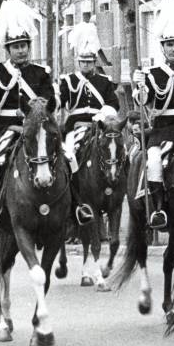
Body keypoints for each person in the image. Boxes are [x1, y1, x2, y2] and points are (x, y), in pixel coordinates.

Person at [0, 0, 55, 237]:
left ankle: (75, 209)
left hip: (36, 130)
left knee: (68, 157)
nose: (21, 50)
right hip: (3, 131)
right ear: (7, 49)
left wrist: (42, 106)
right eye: (16, 46)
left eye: (24, 45)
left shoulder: (41, 73)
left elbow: (50, 100)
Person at [132, 0, 174, 231]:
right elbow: (144, 101)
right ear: (163, 47)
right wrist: (139, 88)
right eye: (170, 44)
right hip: (163, 130)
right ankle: (159, 208)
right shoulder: (152, 74)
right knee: (155, 162)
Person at [59, 21, 119, 226]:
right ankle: (73, 201)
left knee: (114, 151)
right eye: (83, 62)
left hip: (97, 126)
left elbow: (114, 104)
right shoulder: (68, 81)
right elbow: (61, 101)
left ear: (94, 62)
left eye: (89, 62)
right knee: (69, 158)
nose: (86, 65)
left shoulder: (104, 81)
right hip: (75, 127)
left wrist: (102, 116)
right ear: (78, 61)